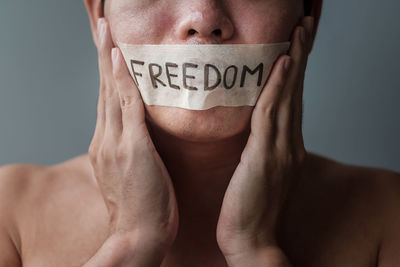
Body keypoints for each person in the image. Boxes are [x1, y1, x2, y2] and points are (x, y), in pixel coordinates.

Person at [0, 0, 399, 266]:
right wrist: (131, 245)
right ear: (97, 16)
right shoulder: (10, 215)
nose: (204, 20)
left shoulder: (388, 216)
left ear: (307, 14)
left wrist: (255, 250)